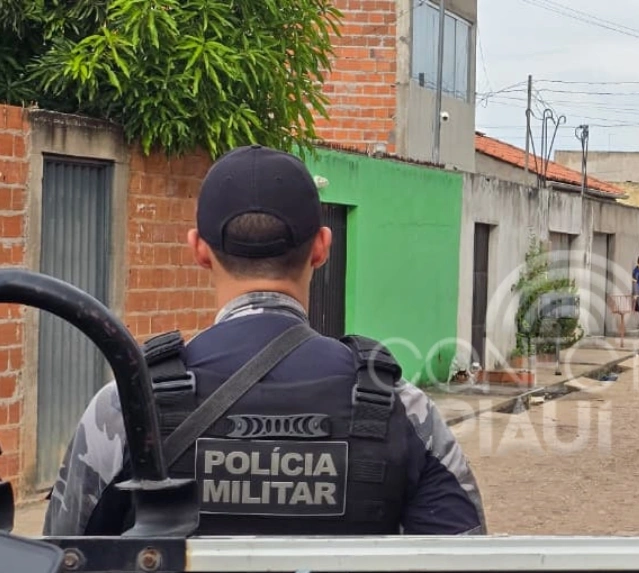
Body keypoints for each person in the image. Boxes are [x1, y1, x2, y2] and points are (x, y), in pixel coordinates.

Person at [43, 145, 487, 537]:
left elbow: (60, 572)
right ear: (321, 246)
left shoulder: (125, 410)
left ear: (199, 249)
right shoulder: (401, 409)